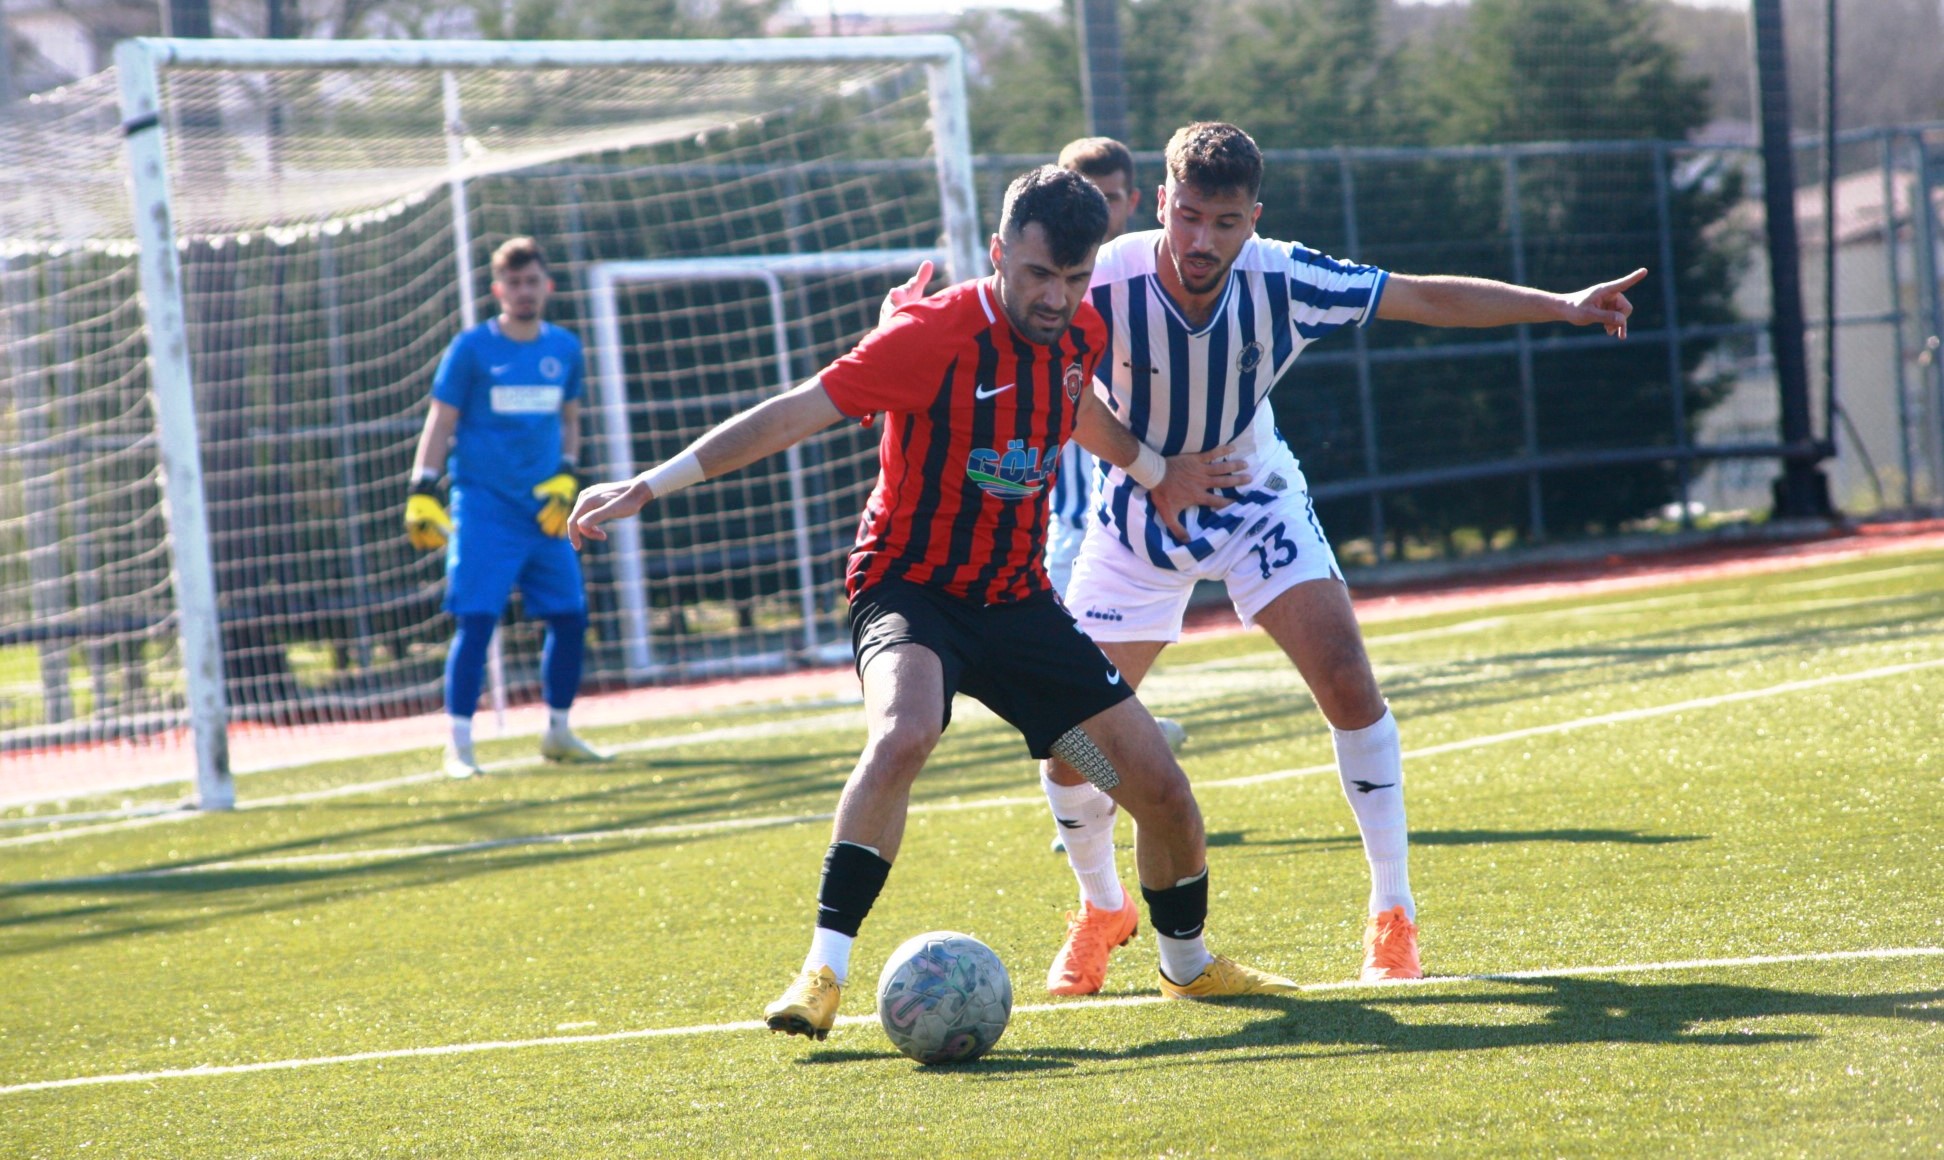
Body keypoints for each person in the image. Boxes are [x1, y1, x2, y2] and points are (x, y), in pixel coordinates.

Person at [898, 124, 1648, 995]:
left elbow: (1419, 299)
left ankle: (1392, 912)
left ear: (1255, 218)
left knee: (1347, 679)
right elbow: (1008, 331)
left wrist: (1560, 304)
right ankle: (1103, 908)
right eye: (1187, 217)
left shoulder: (1285, 277)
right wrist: (910, 328)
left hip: (1254, 495)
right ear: (1162, 205)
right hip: (1137, 509)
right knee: (1071, 746)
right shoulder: (1101, 274)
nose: (1202, 240)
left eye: (1225, 221)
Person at [569, 167, 1295, 1042]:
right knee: (906, 730)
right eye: (1037, 276)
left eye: (1074, 278)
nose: (1058, 298)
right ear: (997, 256)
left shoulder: (1081, 331)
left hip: (1019, 604)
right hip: (910, 590)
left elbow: (1075, 414)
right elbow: (793, 412)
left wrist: (1157, 472)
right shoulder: (931, 336)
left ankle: (1186, 966)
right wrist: (649, 485)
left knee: (1160, 791)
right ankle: (822, 972)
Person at [405, 236, 610, 779]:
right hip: (484, 507)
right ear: (498, 290)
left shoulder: (564, 348)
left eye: (531, 281)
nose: (523, 292)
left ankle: (559, 731)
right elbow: (441, 422)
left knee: (570, 618)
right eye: (513, 283)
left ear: (547, 286)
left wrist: (568, 474)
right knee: (475, 621)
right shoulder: (471, 348)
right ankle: (460, 747)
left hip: (544, 510)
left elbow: (570, 418)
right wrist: (422, 487)